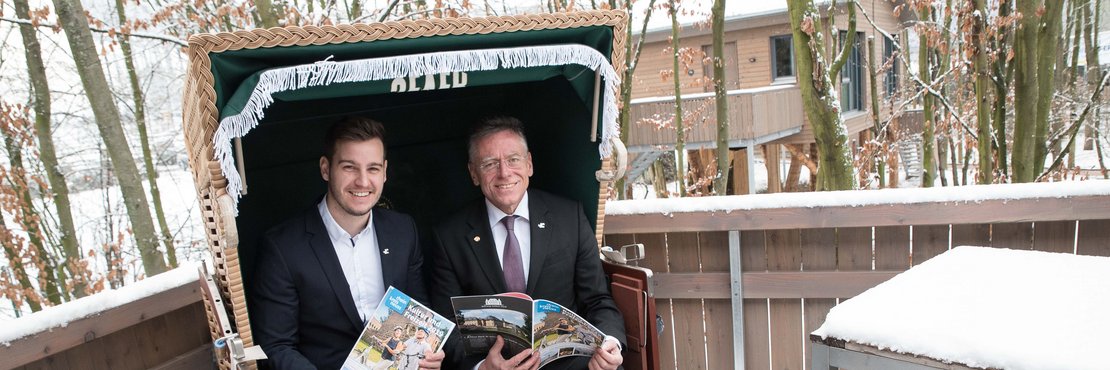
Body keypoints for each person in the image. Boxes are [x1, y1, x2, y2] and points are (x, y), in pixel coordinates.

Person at [429, 116, 626, 370]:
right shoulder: (449, 237)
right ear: (473, 174)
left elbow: (598, 300)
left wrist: (610, 343)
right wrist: (483, 367)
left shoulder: (570, 217)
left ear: (529, 164)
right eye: (490, 164)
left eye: (513, 160)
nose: (504, 172)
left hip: (572, 365)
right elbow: (446, 325)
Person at [250, 117, 445, 369]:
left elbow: (420, 312)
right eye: (350, 167)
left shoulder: (403, 230)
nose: (363, 181)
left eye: (373, 168)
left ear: (385, 172)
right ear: (325, 168)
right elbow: (276, 346)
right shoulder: (283, 247)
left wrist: (429, 351)